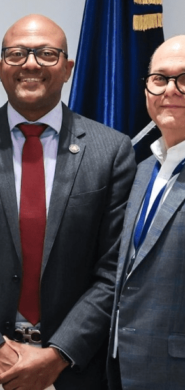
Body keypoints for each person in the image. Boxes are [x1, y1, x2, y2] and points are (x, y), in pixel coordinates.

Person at [0, 14, 136, 390]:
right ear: (0, 68)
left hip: (71, 370)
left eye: (47, 54)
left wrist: (59, 354)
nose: (31, 64)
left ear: (67, 68)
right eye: (17, 54)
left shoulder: (111, 150)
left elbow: (114, 268)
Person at [108, 35, 185, 389]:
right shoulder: (141, 172)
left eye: (184, 78)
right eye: (159, 78)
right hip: (123, 368)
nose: (170, 90)